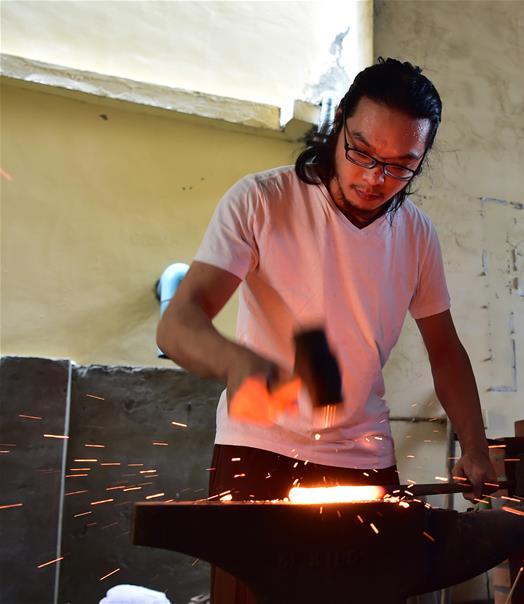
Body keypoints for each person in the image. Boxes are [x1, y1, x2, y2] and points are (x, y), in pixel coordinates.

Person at [156, 58, 497, 603]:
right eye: (361, 152)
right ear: (339, 122)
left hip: (365, 455)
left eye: (399, 166)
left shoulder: (415, 236)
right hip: (259, 453)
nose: (372, 178)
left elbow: (445, 351)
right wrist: (236, 363)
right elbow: (178, 323)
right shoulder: (263, 201)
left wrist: (476, 447)